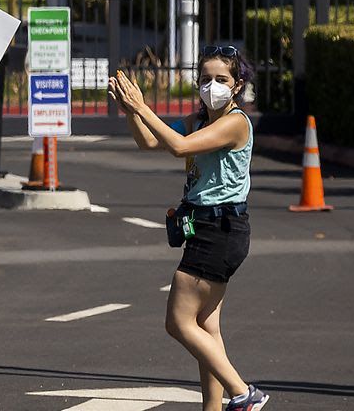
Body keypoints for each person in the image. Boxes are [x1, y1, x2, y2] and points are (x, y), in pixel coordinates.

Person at [109, 47, 270, 411]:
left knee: (178, 322)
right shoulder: (198, 120)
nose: (212, 86)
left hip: (219, 229)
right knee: (206, 326)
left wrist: (142, 107)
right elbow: (149, 141)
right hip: (209, 228)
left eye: (221, 79)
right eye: (205, 79)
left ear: (238, 85)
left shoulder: (235, 123)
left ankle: (244, 393)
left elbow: (179, 148)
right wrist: (131, 112)